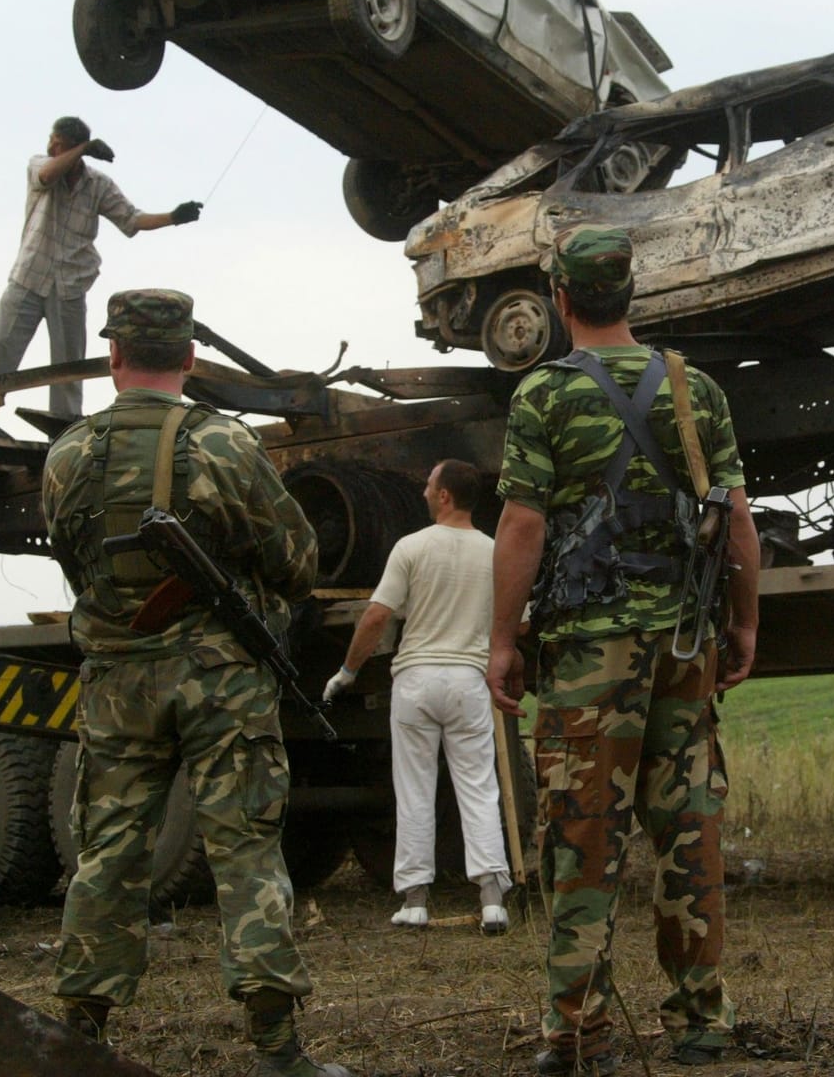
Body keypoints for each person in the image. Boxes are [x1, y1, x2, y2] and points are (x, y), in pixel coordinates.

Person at [43, 288, 350, 1077]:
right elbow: (297, 560)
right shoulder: (225, 445)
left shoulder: (68, 454)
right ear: (188, 359)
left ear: (113, 357)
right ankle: (278, 1052)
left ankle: (80, 1038)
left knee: (107, 855)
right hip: (220, 681)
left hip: (116, 679)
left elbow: (78, 563)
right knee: (245, 852)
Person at [486, 226, 762, 1075]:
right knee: (689, 836)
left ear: (563, 301)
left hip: (588, 660)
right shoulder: (696, 390)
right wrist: (744, 625)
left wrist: (502, 639)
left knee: (584, 842)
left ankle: (577, 1032)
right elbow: (739, 518)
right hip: (684, 646)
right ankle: (702, 1025)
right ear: (630, 295)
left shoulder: (544, 396)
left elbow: (524, 524)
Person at [321, 459, 512, 934]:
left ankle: (415, 900)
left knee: (414, 790)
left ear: (445, 495)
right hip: (468, 680)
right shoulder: (493, 552)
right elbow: (518, 620)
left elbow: (375, 617)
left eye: (429, 485)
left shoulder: (411, 547)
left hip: (416, 680)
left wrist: (347, 672)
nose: (425, 492)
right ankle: (491, 899)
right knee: (479, 788)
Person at [0, 116, 203, 436]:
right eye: (52, 141)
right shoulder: (40, 165)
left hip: (70, 286)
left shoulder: (97, 184)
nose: (51, 147)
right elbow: (47, 174)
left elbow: (132, 220)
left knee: (68, 364)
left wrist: (174, 217)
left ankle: (63, 428)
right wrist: (82, 149)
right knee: (0, 347)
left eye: (57, 143)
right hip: (29, 278)